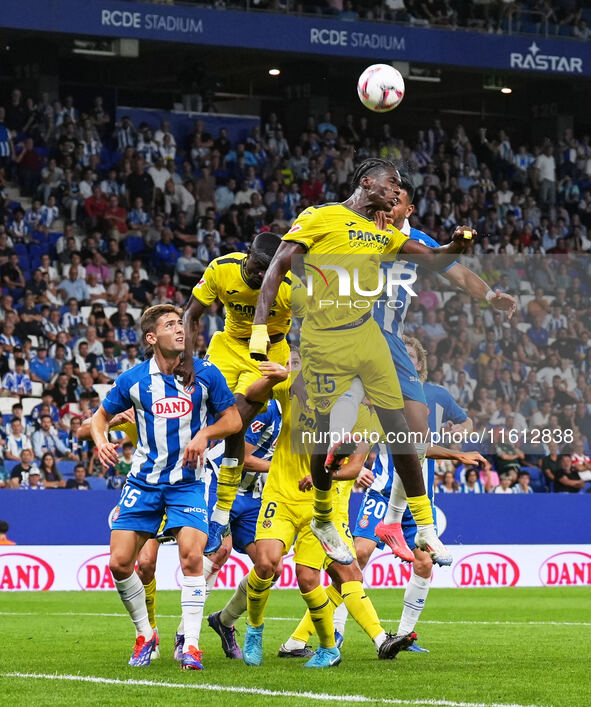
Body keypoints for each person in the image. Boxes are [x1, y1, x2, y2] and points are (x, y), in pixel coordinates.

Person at [249, 158, 474, 566]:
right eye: (391, 183)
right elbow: (278, 266)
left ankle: (423, 525)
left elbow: (433, 258)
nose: (396, 190)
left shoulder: (379, 233)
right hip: (323, 341)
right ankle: (322, 515)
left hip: (367, 336)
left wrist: (457, 246)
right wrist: (261, 328)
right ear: (367, 183)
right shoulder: (320, 217)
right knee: (323, 439)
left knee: (400, 429)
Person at [90, 304, 241, 670]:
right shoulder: (133, 380)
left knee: (192, 556)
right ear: (152, 338)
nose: (180, 330)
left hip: (188, 483)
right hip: (143, 482)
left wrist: (204, 434)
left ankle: (190, 645)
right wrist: (101, 440)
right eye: (170, 325)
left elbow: (233, 419)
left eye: (181, 324)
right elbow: (99, 417)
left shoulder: (205, 373)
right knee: (120, 562)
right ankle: (146, 634)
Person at [236, 358, 408, 668]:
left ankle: (328, 648)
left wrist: (322, 476)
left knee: (310, 577)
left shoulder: (365, 415)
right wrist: (273, 379)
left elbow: (355, 466)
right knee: (264, 563)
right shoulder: (297, 381)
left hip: (322, 504)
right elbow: (252, 394)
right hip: (282, 494)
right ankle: (255, 629)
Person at [180, 232, 292, 556]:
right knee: (193, 410)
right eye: (258, 268)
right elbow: (191, 314)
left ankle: (220, 515)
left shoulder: (289, 286)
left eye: (270, 270)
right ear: (247, 254)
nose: (262, 276)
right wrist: (188, 358)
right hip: (228, 346)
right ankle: (175, 493)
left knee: (236, 422)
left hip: (269, 354)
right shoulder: (221, 269)